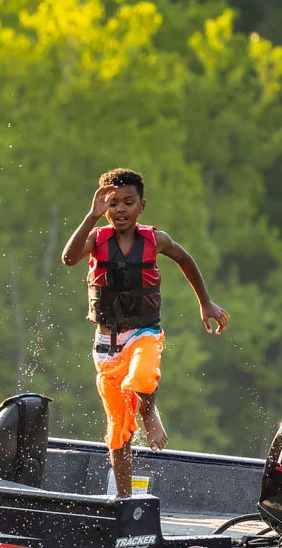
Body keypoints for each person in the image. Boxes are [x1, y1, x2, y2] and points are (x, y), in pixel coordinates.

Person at [60, 168, 230, 497]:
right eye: (112, 203)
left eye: (128, 202)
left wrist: (205, 302)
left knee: (143, 374)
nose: (120, 209)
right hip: (107, 344)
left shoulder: (156, 239)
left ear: (142, 205)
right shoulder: (97, 239)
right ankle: (124, 498)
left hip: (144, 333)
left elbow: (185, 259)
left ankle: (150, 414)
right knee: (118, 431)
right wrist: (90, 217)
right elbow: (68, 258)